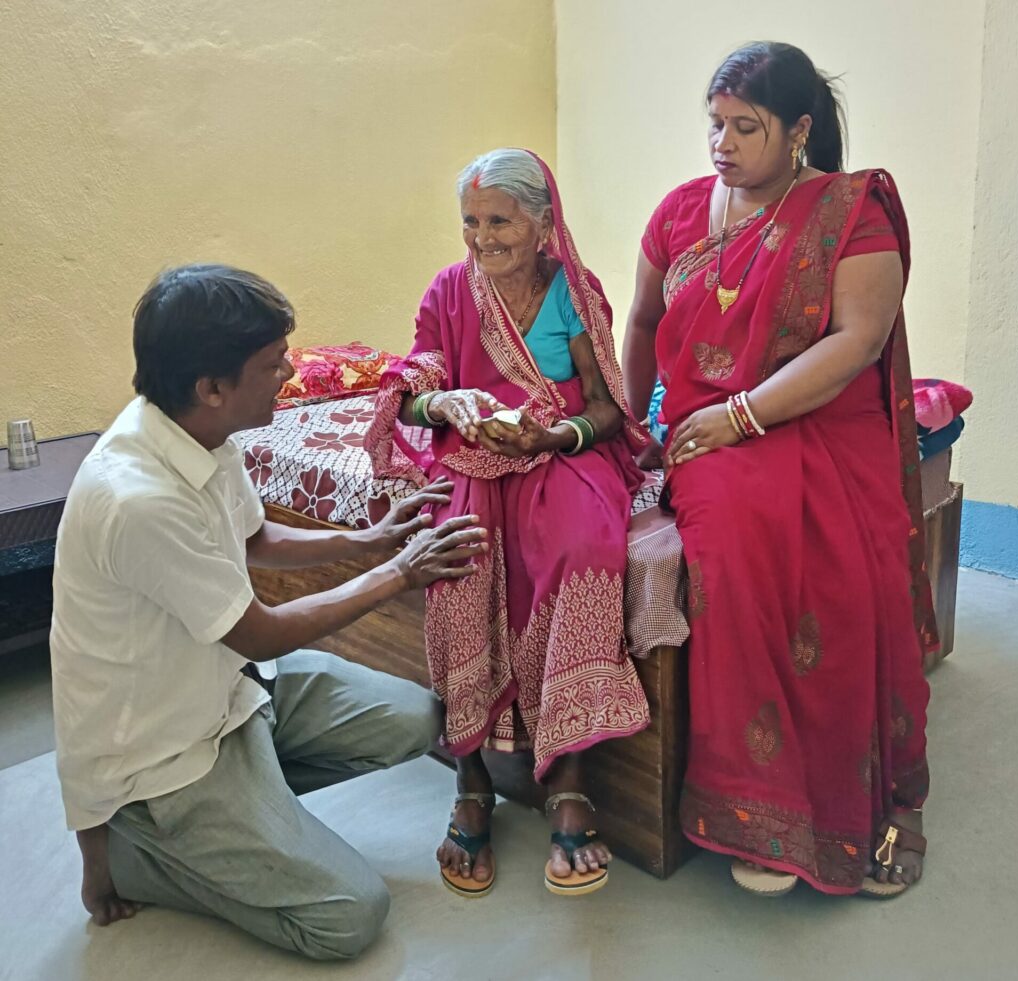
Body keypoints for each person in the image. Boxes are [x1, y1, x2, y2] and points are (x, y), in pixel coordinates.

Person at [51, 264, 488, 960]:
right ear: (212, 387)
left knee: (418, 718)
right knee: (351, 915)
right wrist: (396, 571)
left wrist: (370, 537)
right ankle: (146, 846)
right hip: (171, 753)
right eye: (271, 362)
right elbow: (258, 626)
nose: (291, 369)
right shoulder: (139, 498)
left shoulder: (198, 433)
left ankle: (253, 814)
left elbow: (254, 537)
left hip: (235, 689)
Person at [622, 43, 935, 898]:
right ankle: (756, 800)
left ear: (798, 130)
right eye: (714, 124)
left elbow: (856, 341)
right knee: (733, 542)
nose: (720, 143)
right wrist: (633, 427)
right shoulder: (681, 213)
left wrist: (742, 413)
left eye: (744, 126)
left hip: (823, 419)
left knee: (851, 558)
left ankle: (859, 798)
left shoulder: (849, 209)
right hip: (708, 429)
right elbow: (645, 322)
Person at [365, 148, 650, 897]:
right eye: (470, 222)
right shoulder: (450, 290)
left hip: (557, 454)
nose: (482, 238)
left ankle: (571, 780)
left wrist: (554, 437)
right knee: (456, 561)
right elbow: (420, 378)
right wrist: (444, 405)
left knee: (586, 550)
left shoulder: (573, 292)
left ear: (543, 224)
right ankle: (470, 775)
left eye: (499, 221)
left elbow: (603, 406)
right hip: (473, 455)